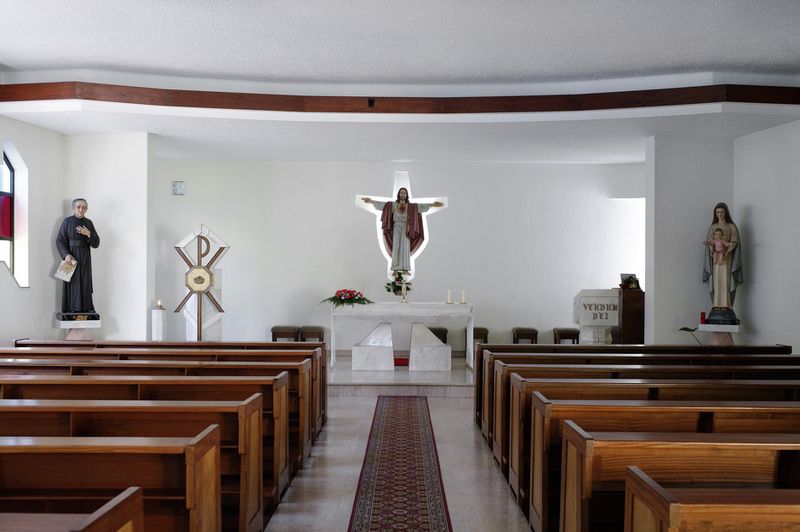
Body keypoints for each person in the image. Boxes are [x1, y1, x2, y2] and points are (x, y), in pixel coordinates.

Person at [362, 188, 443, 273]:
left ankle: (405, 268)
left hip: (406, 226)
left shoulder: (411, 206)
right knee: (396, 246)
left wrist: (432, 204)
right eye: (401, 192)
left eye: (404, 193)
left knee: (405, 246)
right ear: (399, 194)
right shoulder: (393, 205)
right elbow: (383, 205)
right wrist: (371, 201)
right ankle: (395, 269)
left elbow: (420, 206)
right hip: (396, 225)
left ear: (406, 195)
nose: (403, 194)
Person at [56, 198, 100, 314]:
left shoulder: (89, 223)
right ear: (73, 208)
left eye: (84, 207)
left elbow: (96, 243)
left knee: (85, 282)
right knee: (72, 283)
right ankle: (72, 308)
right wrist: (66, 255)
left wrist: (89, 234)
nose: (81, 210)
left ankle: (86, 309)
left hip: (85, 258)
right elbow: (60, 240)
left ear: (86, 209)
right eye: (78, 207)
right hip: (71, 258)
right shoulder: (67, 222)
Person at [702, 202, 741, 309]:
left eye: (722, 212)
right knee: (717, 279)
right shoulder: (713, 227)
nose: (720, 214)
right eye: (718, 212)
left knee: (726, 280)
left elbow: (734, 241)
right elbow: (711, 242)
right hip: (715, 258)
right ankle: (716, 303)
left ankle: (726, 304)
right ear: (715, 214)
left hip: (727, 258)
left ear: (726, 213)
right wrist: (711, 250)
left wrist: (727, 252)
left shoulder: (731, 226)